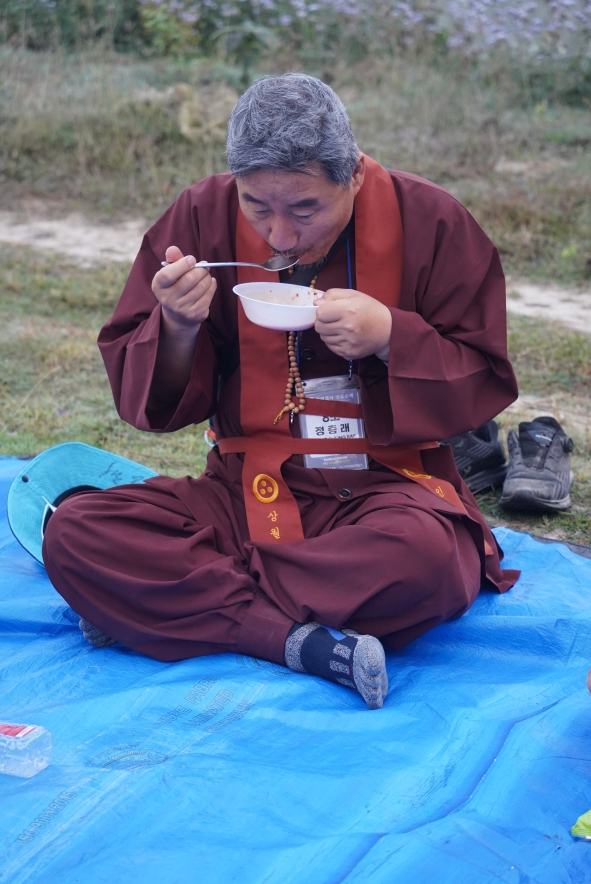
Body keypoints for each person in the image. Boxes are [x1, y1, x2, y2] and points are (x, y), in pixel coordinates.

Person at [43, 73, 519, 710]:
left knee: (428, 561)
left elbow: (484, 374)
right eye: (257, 207)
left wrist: (389, 336)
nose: (281, 236)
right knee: (75, 531)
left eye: (304, 209)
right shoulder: (200, 217)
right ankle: (298, 639)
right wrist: (178, 325)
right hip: (242, 490)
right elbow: (145, 396)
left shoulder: (430, 221)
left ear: (352, 176)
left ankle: (172, 606)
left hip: (384, 491)